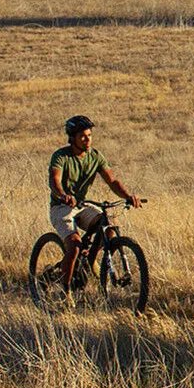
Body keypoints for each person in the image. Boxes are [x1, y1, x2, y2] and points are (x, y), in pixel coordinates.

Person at [48, 115, 144, 291]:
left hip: (81, 205)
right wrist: (63, 195)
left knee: (110, 228)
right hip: (61, 207)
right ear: (72, 138)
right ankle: (66, 290)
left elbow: (112, 181)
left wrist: (128, 196)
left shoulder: (95, 156)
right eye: (83, 136)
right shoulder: (61, 156)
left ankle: (88, 262)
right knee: (75, 245)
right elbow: (55, 181)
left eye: (90, 135)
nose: (87, 139)